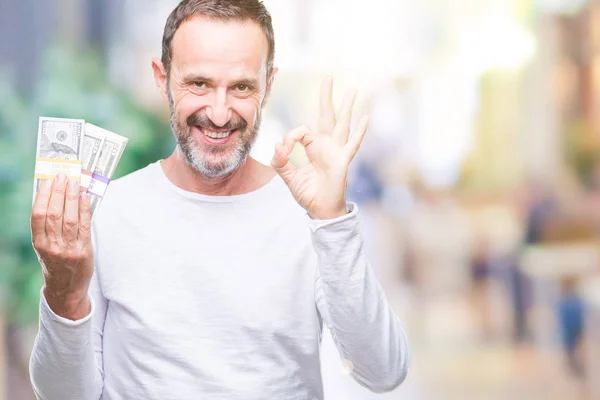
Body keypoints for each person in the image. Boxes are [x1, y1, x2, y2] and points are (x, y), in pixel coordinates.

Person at [28, 1, 409, 399]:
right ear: (162, 78)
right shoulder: (108, 211)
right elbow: (62, 396)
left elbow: (383, 371)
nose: (220, 112)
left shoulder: (310, 215)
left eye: (241, 87)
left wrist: (331, 221)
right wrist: (64, 293)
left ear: (268, 85)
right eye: (199, 84)